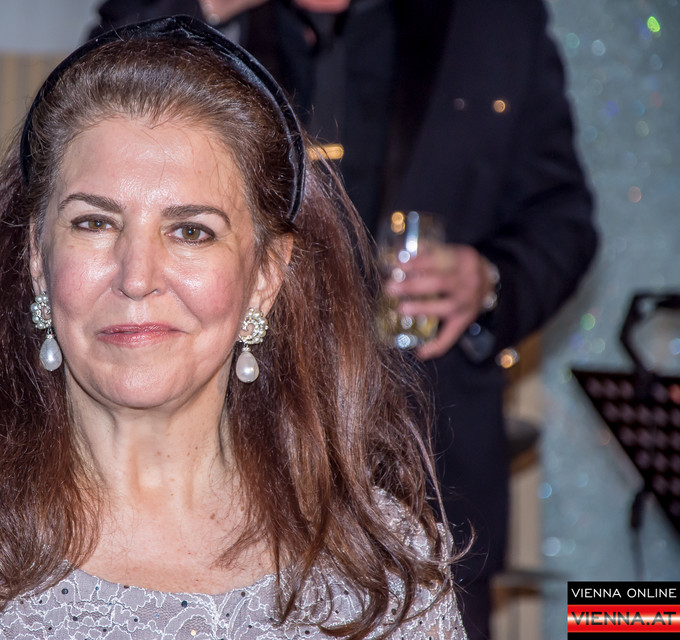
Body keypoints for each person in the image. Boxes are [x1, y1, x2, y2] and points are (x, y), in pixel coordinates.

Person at [0, 17, 466, 640]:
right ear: (36, 258)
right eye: (94, 223)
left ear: (266, 274)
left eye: (191, 231)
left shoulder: (384, 575)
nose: (137, 277)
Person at [89, 2, 598, 638]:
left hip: (432, 454)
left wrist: (489, 279)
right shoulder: (211, 12)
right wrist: (206, 7)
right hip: (226, 445)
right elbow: (86, 114)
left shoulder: (493, 21)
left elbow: (563, 220)